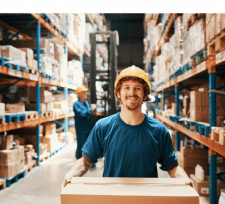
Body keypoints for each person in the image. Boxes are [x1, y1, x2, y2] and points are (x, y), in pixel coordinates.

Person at [61, 65, 194, 191]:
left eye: (137, 88)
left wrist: (185, 180)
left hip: (148, 200)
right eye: (126, 87)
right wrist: (70, 174)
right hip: (113, 200)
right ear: (118, 93)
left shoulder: (159, 130)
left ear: (145, 95)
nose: (132, 93)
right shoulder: (103, 127)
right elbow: (85, 161)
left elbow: (172, 167)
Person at [73, 85, 97, 167]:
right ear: (79, 94)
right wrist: (90, 109)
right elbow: (81, 114)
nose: (86, 94)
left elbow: (88, 114)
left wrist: (93, 113)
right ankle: (80, 163)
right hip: (81, 129)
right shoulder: (76, 104)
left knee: (89, 146)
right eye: (84, 92)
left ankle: (90, 163)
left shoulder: (86, 103)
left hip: (88, 128)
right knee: (81, 145)